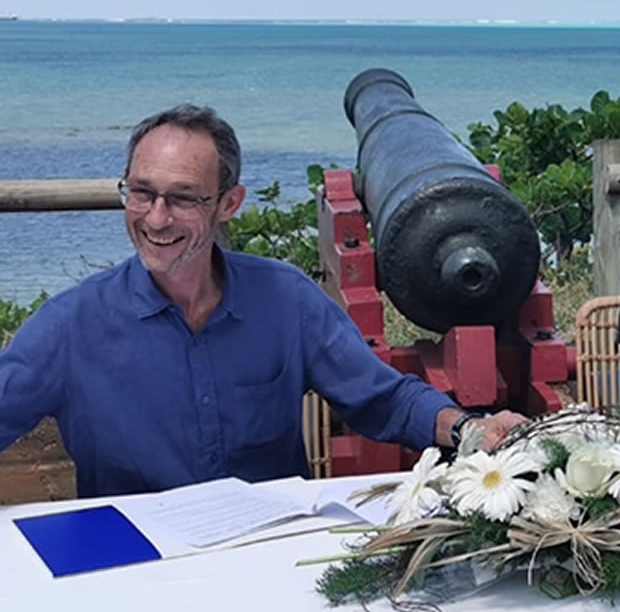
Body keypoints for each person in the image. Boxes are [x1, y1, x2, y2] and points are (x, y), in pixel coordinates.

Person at [0, 105, 524, 497]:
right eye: (141, 193)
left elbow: (381, 398)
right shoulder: (70, 324)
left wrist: (470, 429)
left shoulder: (284, 298)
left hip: (268, 557)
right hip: (135, 569)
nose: (156, 218)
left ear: (229, 203)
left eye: (183, 198)